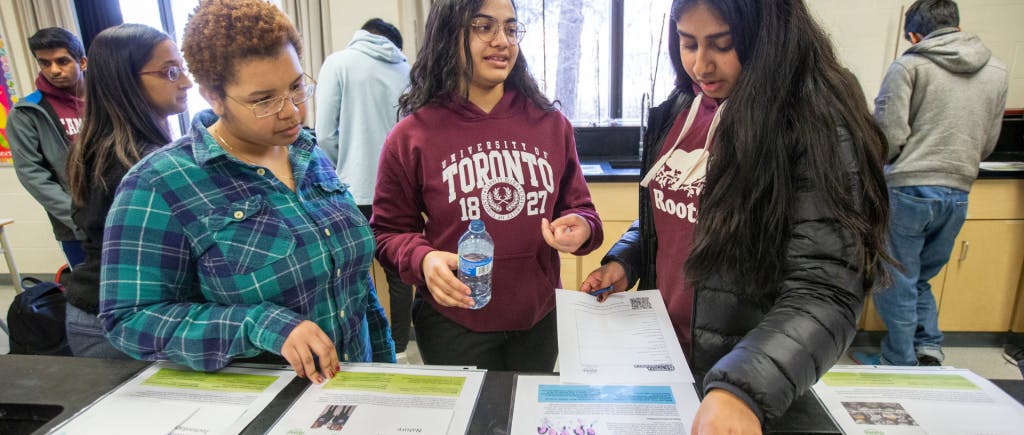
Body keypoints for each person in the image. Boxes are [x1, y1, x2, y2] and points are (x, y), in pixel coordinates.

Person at [579, 0, 892, 432]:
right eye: (687, 43)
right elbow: (675, 212)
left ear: (768, 39)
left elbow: (825, 289)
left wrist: (742, 386)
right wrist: (626, 258)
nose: (700, 64)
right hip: (667, 360)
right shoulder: (681, 109)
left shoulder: (812, 122)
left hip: (745, 374)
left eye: (721, 45)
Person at [100, 0, 395, 382]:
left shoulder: (308, 152)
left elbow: (354, 285)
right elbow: (129, 318)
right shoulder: (161, 182)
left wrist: (384, 369)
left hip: (352, 381)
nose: (291, 111)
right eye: (263, 100)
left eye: (295, 87)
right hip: (265, 399)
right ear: (212, 95)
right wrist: (257, 324)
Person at [371, 0, 603, 372]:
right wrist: (423, 258)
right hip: (453, 323)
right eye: (483, 27)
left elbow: (582, 210)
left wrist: (582, 227)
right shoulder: (412, 136)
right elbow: (388, 231)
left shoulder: (550, 125)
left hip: (539, 321)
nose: (502, 41)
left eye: (511, 29)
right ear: (449, 36)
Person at [855, 0, 1009, 367]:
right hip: (959, 190)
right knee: (921, 277)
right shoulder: (997, 71)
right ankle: (929, 348)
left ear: (913, 35)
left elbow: (889, 136)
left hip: (910, 187)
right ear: (956, 25)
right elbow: (989, 140)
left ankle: (900, 361)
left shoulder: (909, 65)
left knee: (896, 280)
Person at [63, 24, 193, 358]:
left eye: (182, 69)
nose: (186, 82)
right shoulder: (139, 164)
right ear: (125, 81)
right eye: (170, 72)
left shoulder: (100, 147)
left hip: (95, 309)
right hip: (112, 322)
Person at [315, 18, 415, 359]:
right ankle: (400, 348)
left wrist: (331, 176)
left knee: (351, 274)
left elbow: (325, 134)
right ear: (394, 44)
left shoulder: (338, 63)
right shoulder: (409, 70)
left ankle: (363, 352)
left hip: (350, 189)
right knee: (401, 275)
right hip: (400, 192)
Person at [7, 27, 87, 268]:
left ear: (82, 62)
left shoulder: (107, 99)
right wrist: (78, 218)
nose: (54, 70)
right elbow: (33, 175)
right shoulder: (27, 112)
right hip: (77, 230)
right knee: (95, 298)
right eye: (45, 63)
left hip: (123, 214)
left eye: (62, 61)